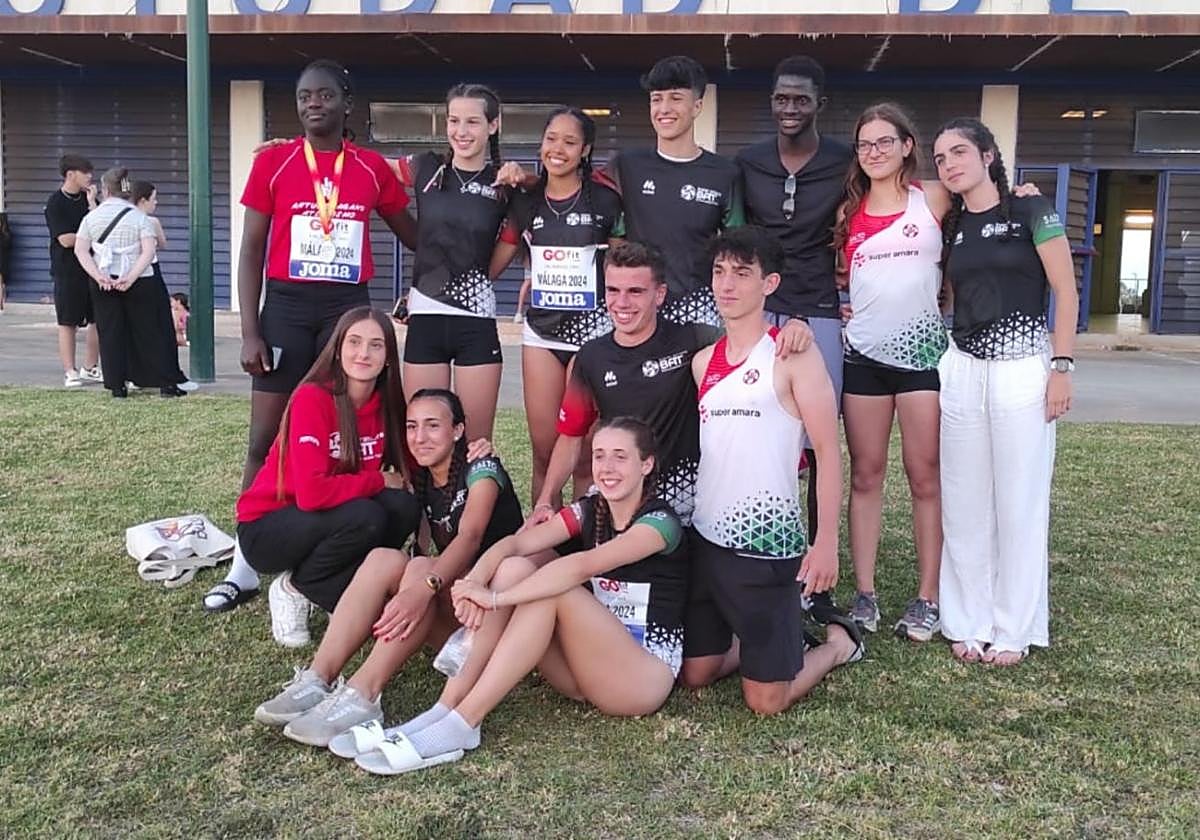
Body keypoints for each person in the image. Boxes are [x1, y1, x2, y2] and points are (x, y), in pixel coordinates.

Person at [346, 416, 689, 776]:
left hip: (640, 679)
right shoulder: (593, 507)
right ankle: (446, 707)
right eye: (600, 455)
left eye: (620, 456)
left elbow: (581, 566)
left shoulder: (660, 523)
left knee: (555, 590)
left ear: (646, 464)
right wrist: (473, 583)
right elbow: (514, 544)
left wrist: (496, 599)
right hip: (586, 670)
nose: (607, 467)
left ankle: (464, 722)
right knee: (514, 567)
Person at [203, 59, 416, 613]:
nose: (313, 104)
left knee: (348, 430)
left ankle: (332, 559)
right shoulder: (273, 162)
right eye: (304, 97)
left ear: (347, 102)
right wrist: (250, 330)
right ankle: (244, 568)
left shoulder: (370, 167)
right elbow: (251, 248)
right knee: (263, 438)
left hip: (347, 312)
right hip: (287, 310)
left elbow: (414, 234)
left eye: (324, 95)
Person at [254, 388, 523, 746]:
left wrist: (424, 587)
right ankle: (318, 678)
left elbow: (470, 537)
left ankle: (363, 694)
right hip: (458, 609)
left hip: (492, 618)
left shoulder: (482, 469)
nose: (420, 437)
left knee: (420, 568)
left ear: (458, 430)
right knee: (384, 559)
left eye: (433, 425)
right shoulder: (424, 473)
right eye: (412, 426)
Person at [681, 227, 863, 716]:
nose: (727, 284)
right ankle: (768, 643)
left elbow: (827, 451)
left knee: (766, 702)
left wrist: (825, 543)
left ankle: (837, 645)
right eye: (719, 272)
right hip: (708, 541)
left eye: (742, 273)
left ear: (770, 283)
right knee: (695, 674)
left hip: (767, 545)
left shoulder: (793, 355)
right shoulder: (702, 362)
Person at [531, 240, 811, 527]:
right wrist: (546, 499)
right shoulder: (591, 357)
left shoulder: (695, 340)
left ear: (660, 294)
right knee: (523, 550)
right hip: (619, 500)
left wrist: (794, 326)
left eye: (635, 291)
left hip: (683, 506)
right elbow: (571, 436)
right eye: (613, 290)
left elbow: (751, 340)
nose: (622, 303)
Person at [933, 118, 1077, 666]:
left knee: (1019, 499)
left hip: (1022, 367)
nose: (949, 164)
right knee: (964, 500)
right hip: (964, 369)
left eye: (959, 152)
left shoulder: (1031, 210)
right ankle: (967, 620)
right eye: (940, 158)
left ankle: (1014, 627)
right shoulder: (952, 224)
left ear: (989, 155)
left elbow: (1065, 290)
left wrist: (1061, 366)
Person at [235, 307, 422, 648]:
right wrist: (378, 480)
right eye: (354, 342)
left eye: (376, 345)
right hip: (267, 527)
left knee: (402, 506)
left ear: (388, 358)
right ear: (337, 349)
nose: (363, 353)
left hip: (334, 516)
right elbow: (312, 494)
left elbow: (418, 463)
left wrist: (468, 457)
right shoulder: (313, 398)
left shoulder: (387, 404)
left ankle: (340, 590)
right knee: (366, 514)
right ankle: (294, 588)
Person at [831, 104, 950, 642]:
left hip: (923, 358)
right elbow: (840, 277)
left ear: (906, 146)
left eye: (884, 142)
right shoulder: (848, 211)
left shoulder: (935, 198)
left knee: (924, 476)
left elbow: (985, 202)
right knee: (866, 474)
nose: (874, 152)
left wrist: (1023, 194)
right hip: (864, 358)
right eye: (864, 144)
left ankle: (928, 597)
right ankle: (865, 593)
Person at [736, 55, 851, 546]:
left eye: (801, 100)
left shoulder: (846, 161)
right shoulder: (748, 162)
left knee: (818, 438)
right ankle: (758, 541)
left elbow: (903, 192)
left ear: (820, 103)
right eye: (781, 98)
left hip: (820, 307)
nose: (790, 108)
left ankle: (818, 551)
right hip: (760, 309)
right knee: (757, 429)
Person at [491, 107, 623, 504]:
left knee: (584, 457)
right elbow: (494, 264)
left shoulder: (605, 201)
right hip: (541, 335)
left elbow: (623, 264)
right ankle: (542, 532)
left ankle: (585, 536)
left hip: (593, 334)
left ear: (585, 150)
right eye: (551, 139)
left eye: (569, 142)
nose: (558, 149)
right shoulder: (526, 201)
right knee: (545, 454)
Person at [393, 83, 518, 443]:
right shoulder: (426, 167)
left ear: (493, 125)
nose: (461, 131)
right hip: (425, 321)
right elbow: (362, 166)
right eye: (453, 120)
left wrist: (469, 281)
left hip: (475, 323)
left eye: (472, 122)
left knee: (475, 444)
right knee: (421, 440)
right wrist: (297, 147)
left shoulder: (505, 184)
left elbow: (504, 250)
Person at [605, 56, 742, 328]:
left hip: (698, 310)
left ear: (697, 106)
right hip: (639, 310)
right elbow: (613, 236)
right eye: (656, 99)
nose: (664, 109)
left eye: (676, 98)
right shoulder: (626, 166)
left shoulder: (725, 173)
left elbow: (734, 248)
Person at [74, 168, 185, 399]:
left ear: (105, 190)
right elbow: (148, 250)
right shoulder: (139, 217)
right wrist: (131, 276)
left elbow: (81, 250)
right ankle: (162, 381)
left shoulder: (91, 217)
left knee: (110, 331)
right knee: (150, 331)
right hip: (140, 280)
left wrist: (97, 275)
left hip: (104, 279)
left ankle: (117, 384)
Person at [130, 180, 195, 392]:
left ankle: (136, 374)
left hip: (128, 274)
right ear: (143, 200)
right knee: (160, 326)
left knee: (136, 326)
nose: (156, 203)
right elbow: (163, 243)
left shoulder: (124, 219)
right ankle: (167, 375)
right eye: (153, 199)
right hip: (150, 272)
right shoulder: (150, 221)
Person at [43, 154, 102, 388]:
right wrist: (88, 237)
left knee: (97, 319)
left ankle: (91, 366)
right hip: (67, 270)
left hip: (93, 268)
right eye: (85, 172)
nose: (90, 177)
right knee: (68, 321)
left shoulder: (90, 200)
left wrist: (92, 203)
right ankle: (70, 370)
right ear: (70, 174)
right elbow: (66, 239)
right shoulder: (55, 202)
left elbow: (102, 227)